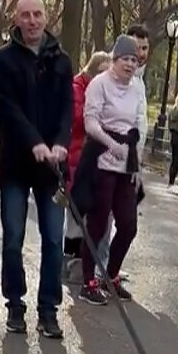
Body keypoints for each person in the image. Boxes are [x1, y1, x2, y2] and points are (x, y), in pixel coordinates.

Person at [0, 0, 74, 339]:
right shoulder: (3, 59)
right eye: (25, 15)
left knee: (54, 239)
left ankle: (48, 308)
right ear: (16, 19)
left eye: (38, 14)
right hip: (15, 162)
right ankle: (15, 303)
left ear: (46, 17)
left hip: (51, 168)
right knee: (13, 236)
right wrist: (33, 142)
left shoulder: (62, 60)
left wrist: (59, 143)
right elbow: (5, 107)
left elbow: (68, 108)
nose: (32, 21)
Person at [73, 35, 147, 305]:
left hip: (126, 158)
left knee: (128, 225)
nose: (130, 64)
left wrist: (136, 161)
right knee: (98, 223)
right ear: (115, 60)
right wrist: (112, 144)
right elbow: (90, 123)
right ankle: (88, 280)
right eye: (125, 59)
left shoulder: (137, 88)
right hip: (101, 155)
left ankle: (111, 275)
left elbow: (139, 124)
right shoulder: (99, 84)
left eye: (134, 60)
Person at [64, 51, 111, 265]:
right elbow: (76, 120)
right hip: (75, 155)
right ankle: (69, 257)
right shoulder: (77, 89)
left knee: (87, 212)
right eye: (101, 72)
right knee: (75, 210)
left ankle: (83, 260)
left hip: (92, 158)